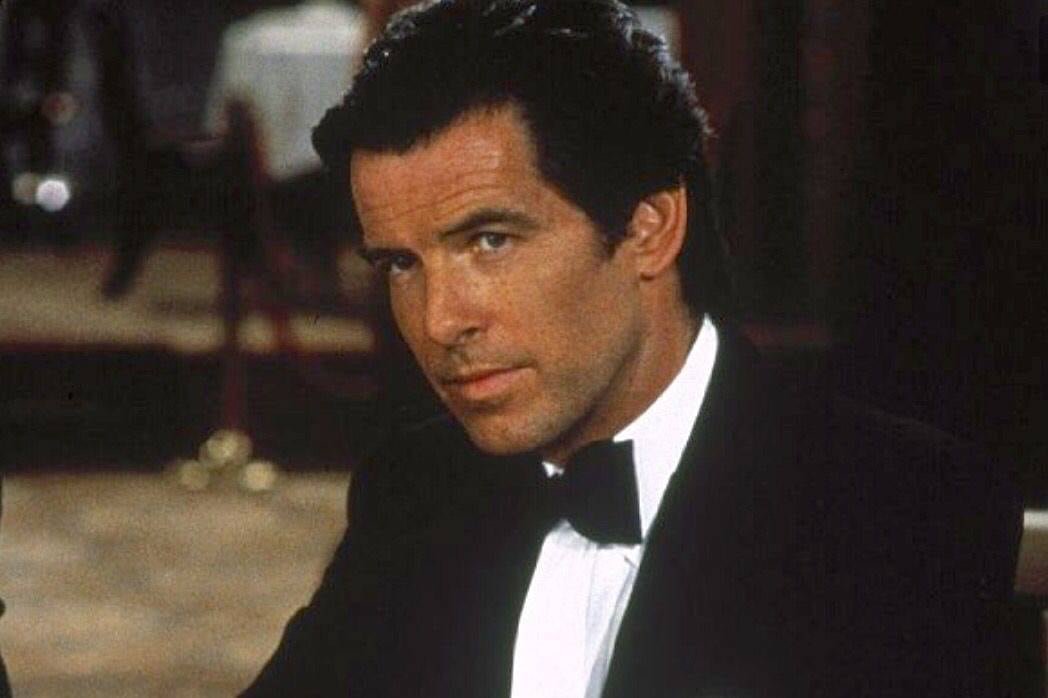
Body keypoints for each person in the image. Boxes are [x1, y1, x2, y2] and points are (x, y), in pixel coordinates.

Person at [240, 1, 1022, 696]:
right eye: (400, 264)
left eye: (490, 240)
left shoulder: (902, 509)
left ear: (650, 228)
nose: (440, 320)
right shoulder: (415, 491)